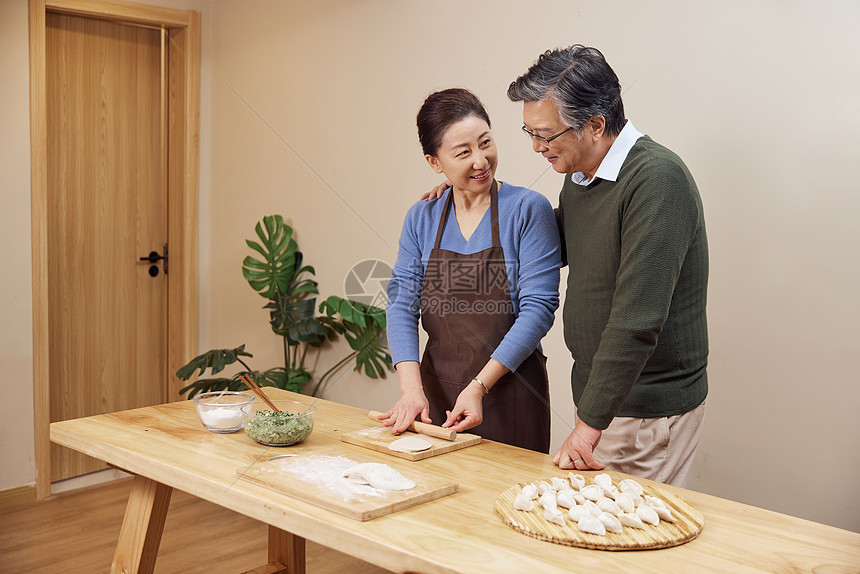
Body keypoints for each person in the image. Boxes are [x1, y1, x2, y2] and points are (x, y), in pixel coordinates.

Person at [506, 45, 709, 486]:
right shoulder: (580, 175)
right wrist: (473, 199)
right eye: (530, 132)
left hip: (643, 409)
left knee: (622, 546)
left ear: (596, 125)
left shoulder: (656, 180)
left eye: (547, 135)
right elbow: (546, 247)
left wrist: (589, 424)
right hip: (606, 401)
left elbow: (637, 318)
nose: (537, 147)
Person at [379, 88, 561, 453]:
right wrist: (411, 390)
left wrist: (479, 386)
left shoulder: (528, 209)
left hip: (511, 396)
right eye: (463, 153)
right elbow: (401, 305)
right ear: (435, 163)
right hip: (437, 396)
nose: (481, 160)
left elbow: (538, 310)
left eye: (486, 143)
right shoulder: (422, 217)